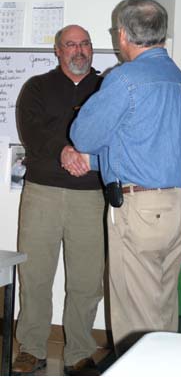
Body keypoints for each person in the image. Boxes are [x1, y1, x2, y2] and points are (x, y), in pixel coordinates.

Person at [69, 0, 181, 352]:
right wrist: (95, 162)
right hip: (178, 206)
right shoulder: (179, 79)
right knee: (161, 314)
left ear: (122, 34)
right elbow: (149, 146)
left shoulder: (124, 79)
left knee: (136, 325)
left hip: (140, 211)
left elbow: (84, 136)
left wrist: (81, 152)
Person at [13, 25, 105, 376]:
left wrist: (86, 155)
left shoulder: (107, 87)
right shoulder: (37, 87)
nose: (78, 51)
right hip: (42, 195)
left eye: (84, 44)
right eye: (70, 45)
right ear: (57, 50)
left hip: (91, 197)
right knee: (34, 275)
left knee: (86, 281)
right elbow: (32, 131)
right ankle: (32, 349)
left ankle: (79, 352)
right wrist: (64, 151)